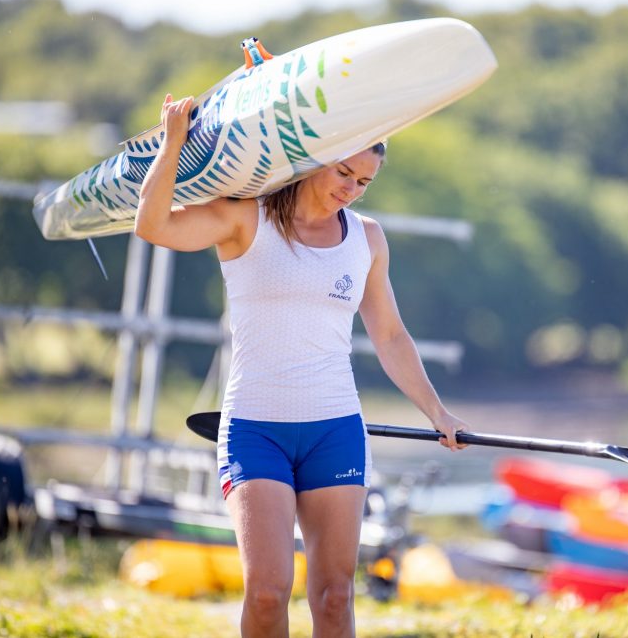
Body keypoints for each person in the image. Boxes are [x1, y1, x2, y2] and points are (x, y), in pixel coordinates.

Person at [134, 94, 470, 638]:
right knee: (267, 592)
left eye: (364, 182)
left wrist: (438, 413)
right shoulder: (247, 217)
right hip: (254, 430)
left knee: (335, 597)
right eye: (343, 172)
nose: (351, 189)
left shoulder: (366, 239)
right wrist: (172, 143)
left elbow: (390, 334)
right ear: (314, 158)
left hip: (335, 431)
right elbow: (153, 225)